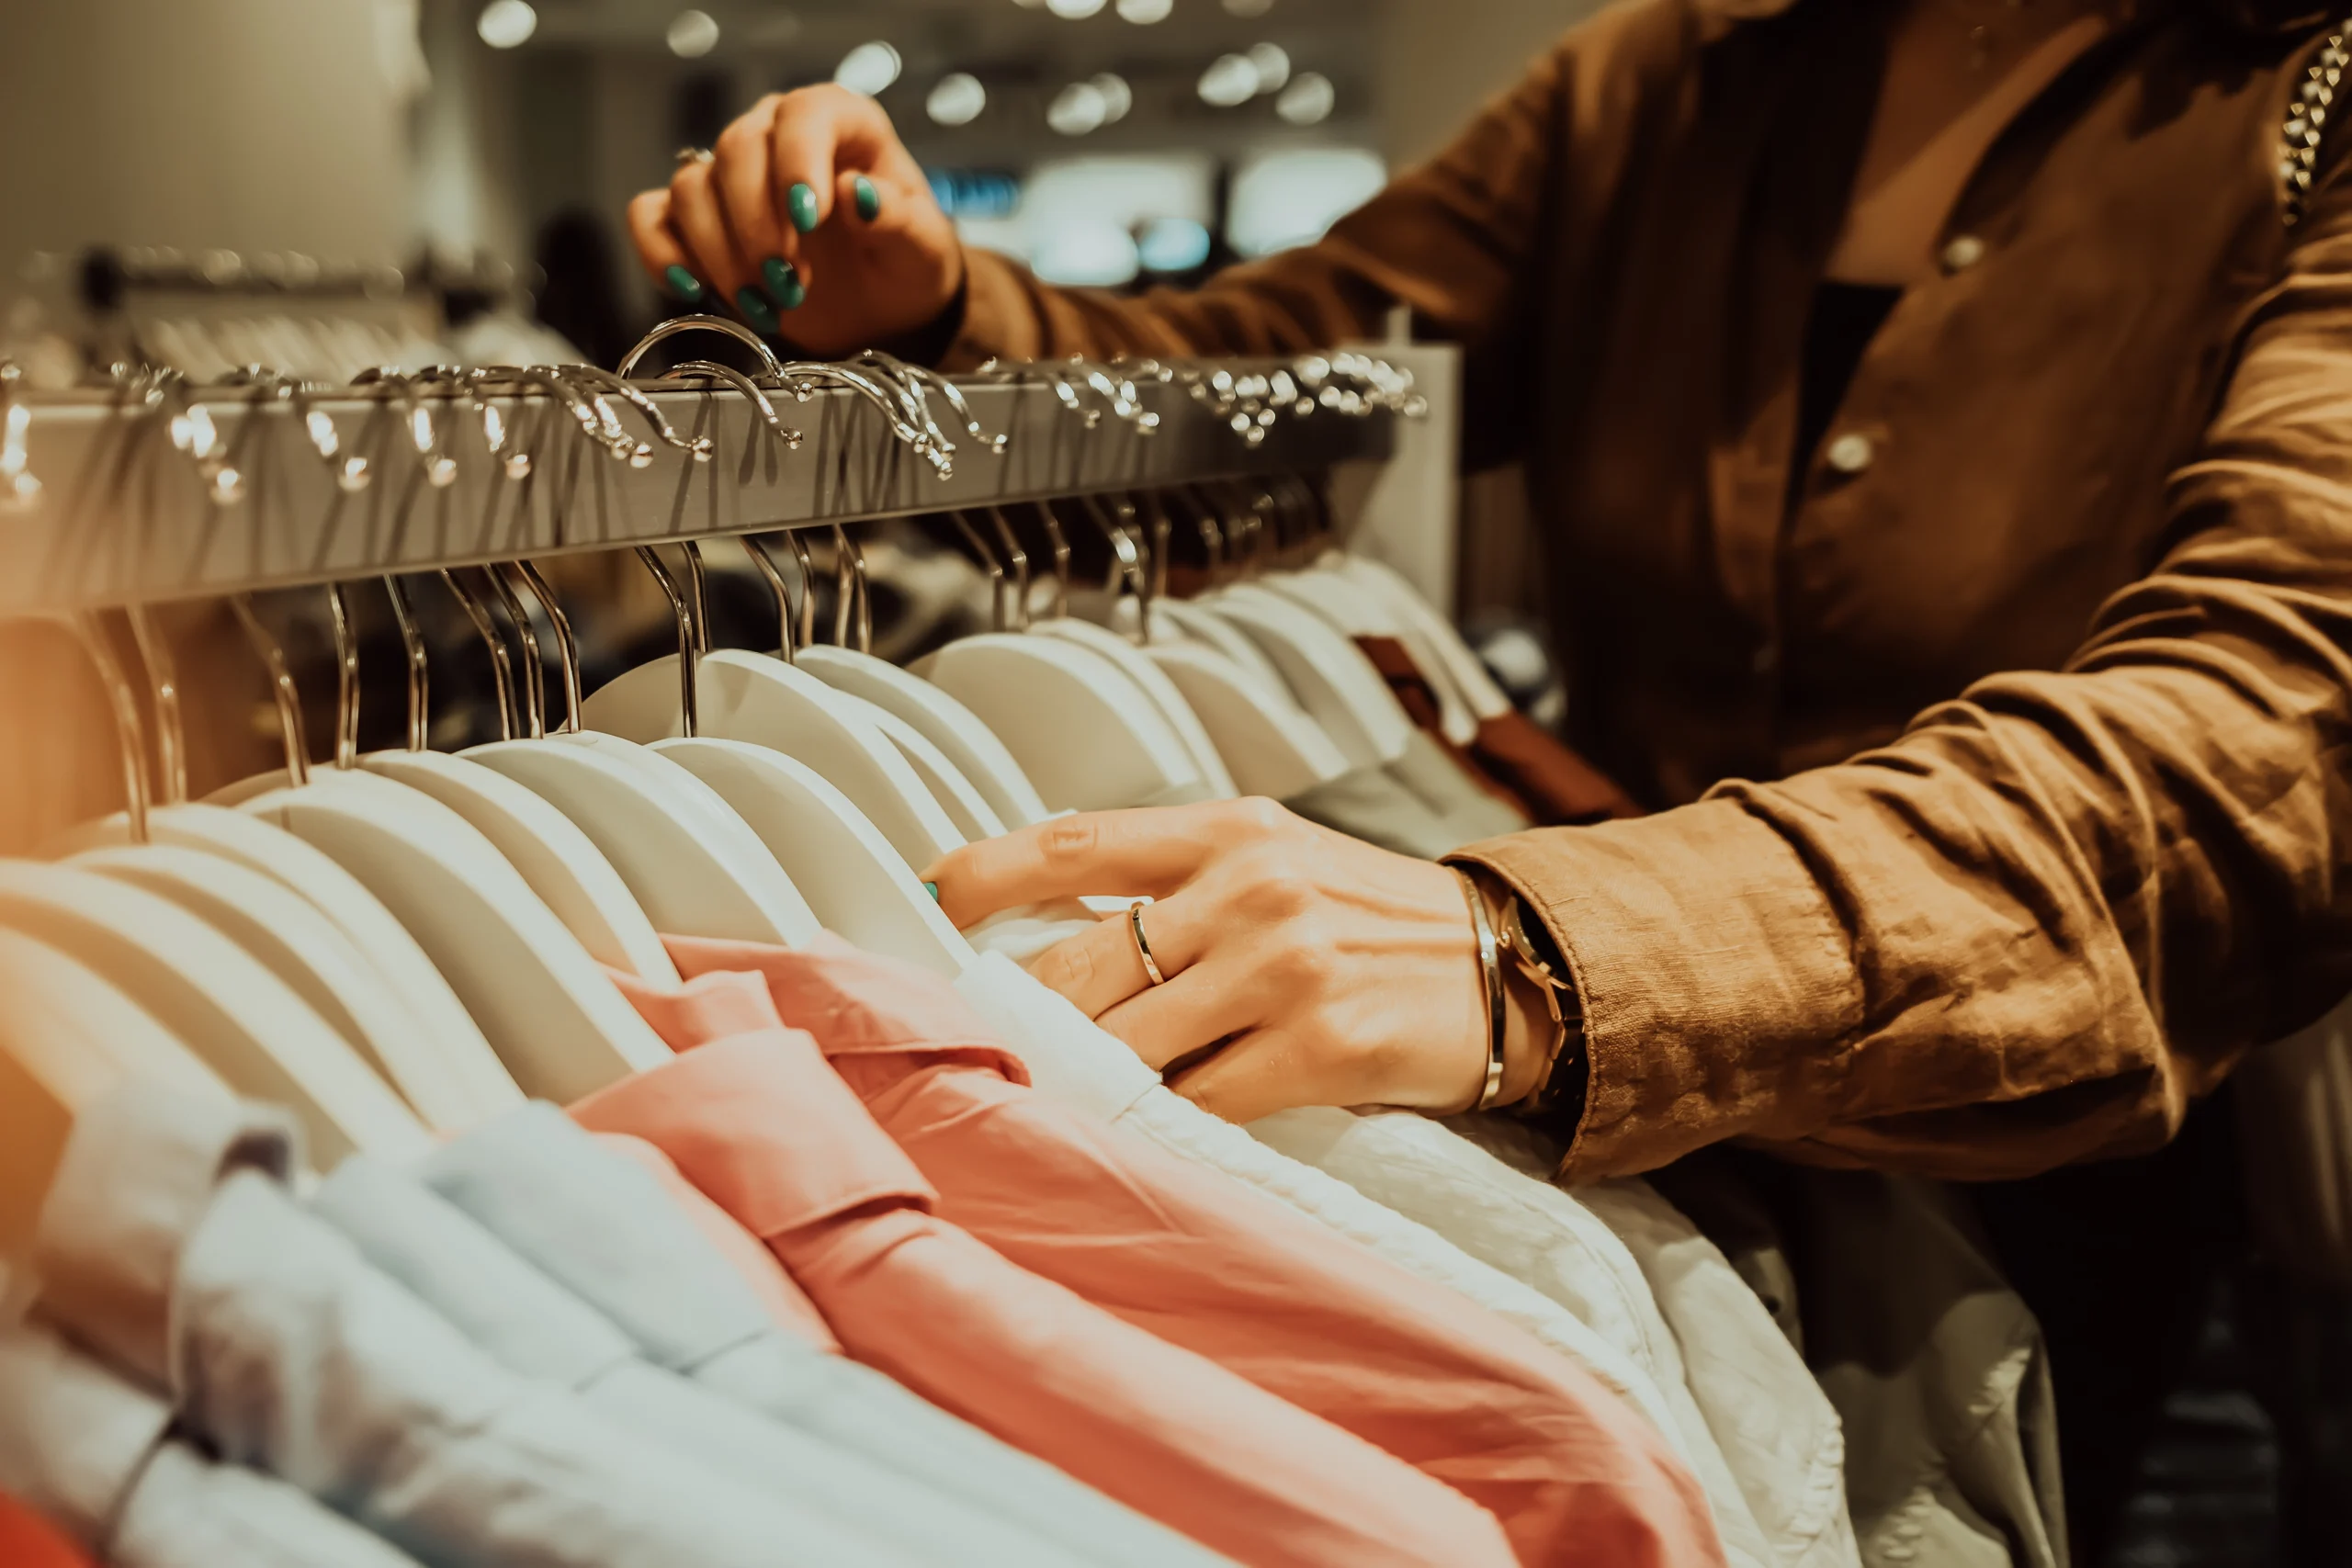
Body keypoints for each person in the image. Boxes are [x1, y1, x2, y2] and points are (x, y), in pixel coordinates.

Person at [628, 0, 2352, 1551]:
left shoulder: (2306, 93)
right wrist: (946, 308)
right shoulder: (1678, 72)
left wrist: (1551, 949)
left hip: (2055, 1152)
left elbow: (2269, 722)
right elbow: (1298, 362)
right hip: (1579, 1103)